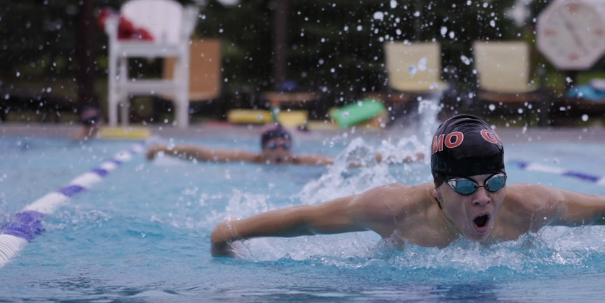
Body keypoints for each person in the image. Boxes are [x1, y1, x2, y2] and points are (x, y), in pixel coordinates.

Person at [210, 114, 605, 256]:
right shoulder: (392, 210)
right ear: (437, 188)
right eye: (466, 188)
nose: (484, 198)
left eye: (495, 183)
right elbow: (306, 220)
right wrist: (228, 234)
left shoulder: (531, 206)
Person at [147, 123, 423, 166]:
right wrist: (164, 148)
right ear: (263, 149)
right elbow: (206, 154)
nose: (280, 151)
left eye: (284, 146)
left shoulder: (302, 161)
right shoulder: (249, 159)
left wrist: (404, 158)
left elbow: (346, 162)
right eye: (273, 146)